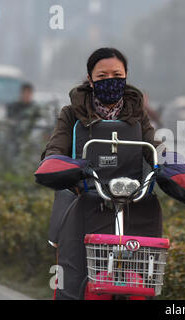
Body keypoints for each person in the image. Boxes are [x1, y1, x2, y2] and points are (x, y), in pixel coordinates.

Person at [41, 47, 164, 300]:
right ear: (90, 79)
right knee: (74, 275)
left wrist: (168, 163)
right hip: (85, 197)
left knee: (143, 272)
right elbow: (55, 149)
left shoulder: (136, 112)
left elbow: (154, 147)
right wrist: (68, 164)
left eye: (117, 74)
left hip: (132, 200)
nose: (111, 80)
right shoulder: (71, 113)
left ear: (126, 75)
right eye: (102, 76)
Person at [6, 82, 41, 159]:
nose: (27, 96)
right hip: (15, 138)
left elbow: (40, 122)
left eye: (29, 93)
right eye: (26, 93)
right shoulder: (13, 106)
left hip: (30, 139)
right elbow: (10, 120)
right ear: (21, 93)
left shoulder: (35, 108)